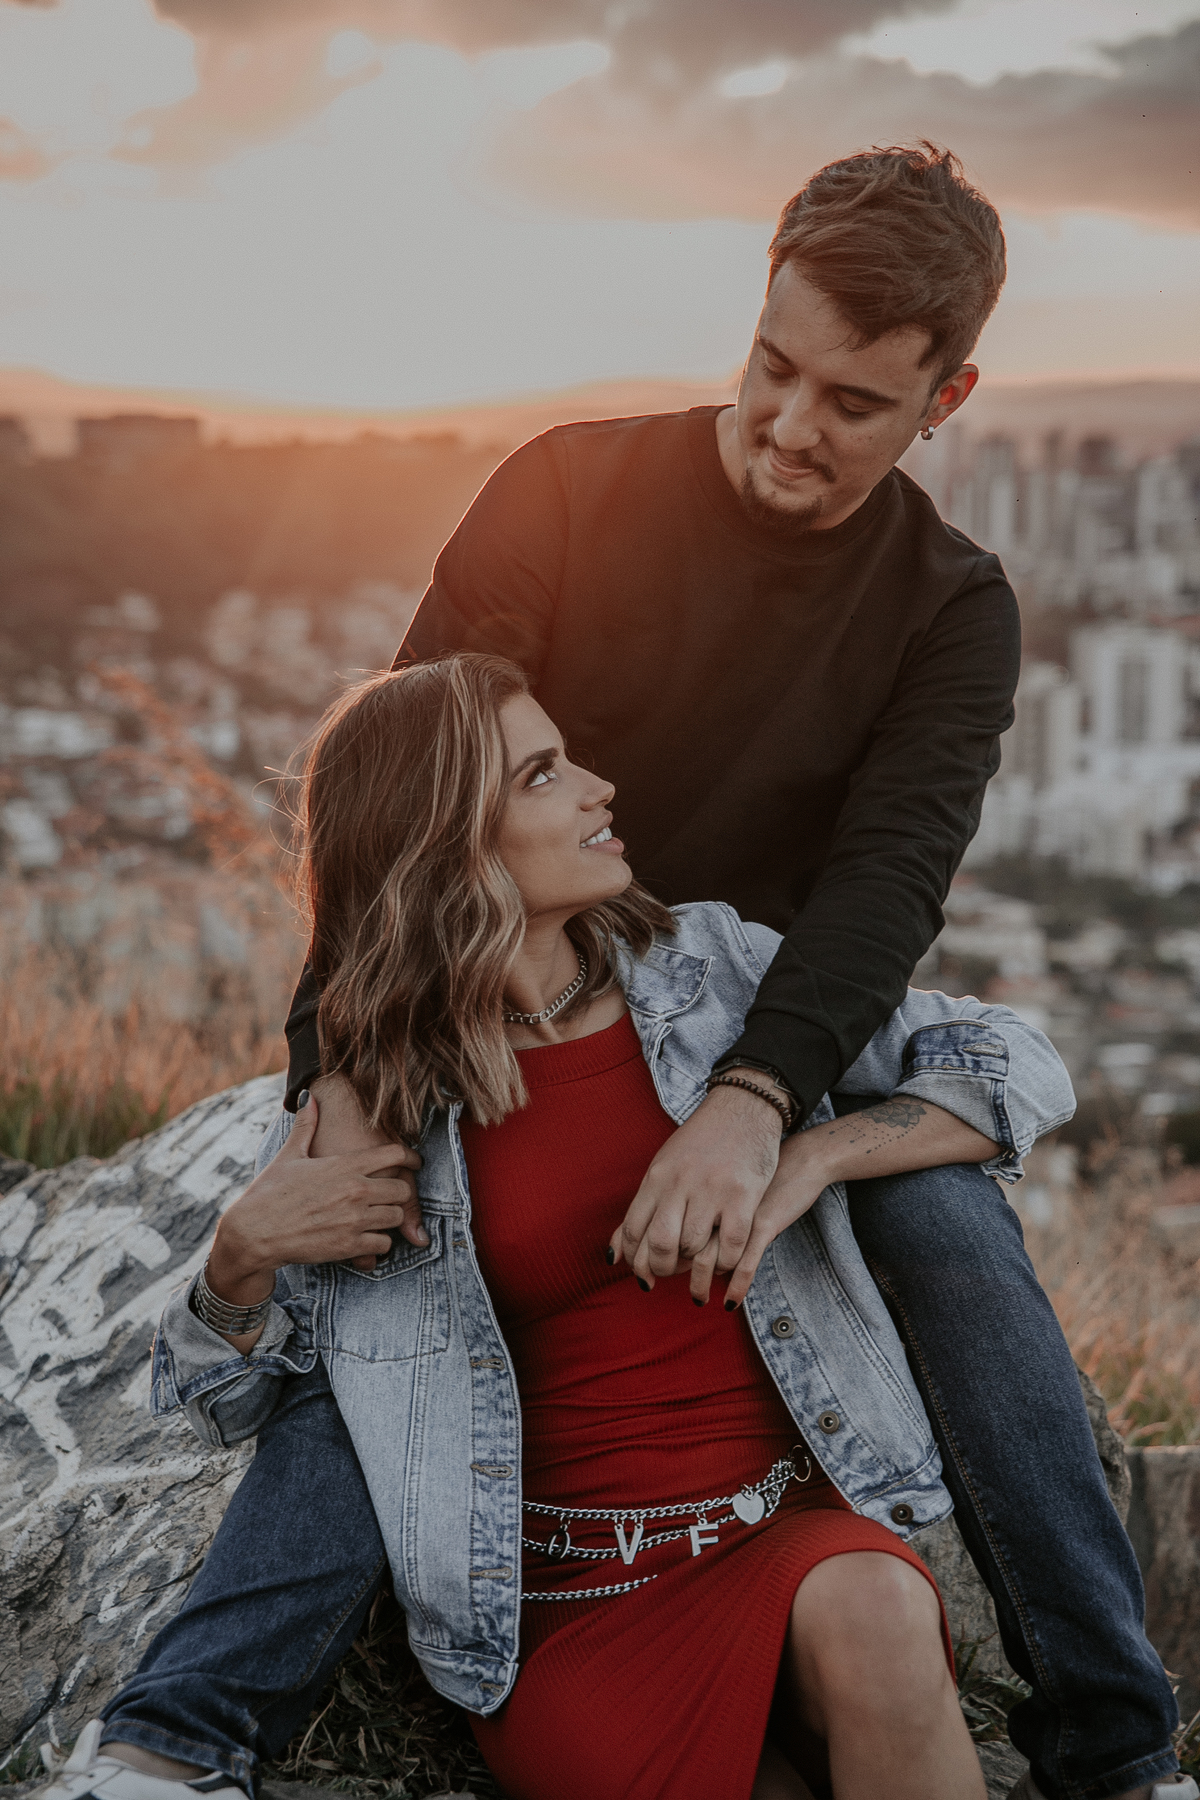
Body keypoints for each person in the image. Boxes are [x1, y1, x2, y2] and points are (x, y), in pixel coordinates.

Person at [282, 147, 1183, 1798]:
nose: (786, 425)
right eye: (773, 366)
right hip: (509, 1024)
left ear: (948, 399)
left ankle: (1118, 1749)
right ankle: (179, 1734)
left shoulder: (950, 609)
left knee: (949, 1231)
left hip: (755, 1028)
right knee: (373, 1258)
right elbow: (400, 795)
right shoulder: (568, 488)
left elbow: (885, 888)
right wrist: (335, 1074)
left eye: (853, 403)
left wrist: (761, 1104)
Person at [49, 655, 1080, 1800]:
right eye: (543, 775)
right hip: (566, 1605)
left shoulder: (716, 976)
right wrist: (240, 1256)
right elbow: (235, 1412)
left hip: (787, 1533)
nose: (600, 786)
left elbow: (1018, 1063)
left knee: (879, 1607)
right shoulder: (377, 1101)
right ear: (447, 840)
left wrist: (802, 1153)